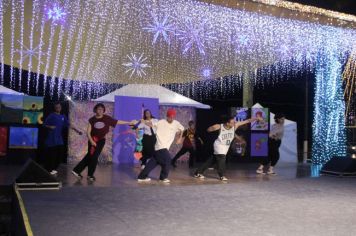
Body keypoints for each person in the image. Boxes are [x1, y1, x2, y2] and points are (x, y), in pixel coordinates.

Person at [72, 103, 135, 181]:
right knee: (93, 157)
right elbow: (88, 132)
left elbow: (117, 121)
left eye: (102, 109)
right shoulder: (92, 120)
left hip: (102, 141)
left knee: (91, 156)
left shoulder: (107, 118)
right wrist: (91, 141)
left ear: (103, 110)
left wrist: (128, 123)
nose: (100, 111)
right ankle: (89, 175)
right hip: (94, 140)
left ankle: (77, 171)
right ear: (95, 110)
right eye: (98, 109)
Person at [194, 116, 258, 181]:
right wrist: (211, 128)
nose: (234, 123)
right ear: (227, 123)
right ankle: (221, 175)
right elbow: (209, 129)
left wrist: (256, 118)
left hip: (225, 147)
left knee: (212, 160)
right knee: (222, 158)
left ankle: (198, 172)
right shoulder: (220, 126)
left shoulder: (234, 126)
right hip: (219, 145)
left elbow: (247, 121)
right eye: (232, 122)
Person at [137, 108, 184, 183]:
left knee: (153, 162)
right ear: (167, 116)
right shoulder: (161, 122)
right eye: (169, 117)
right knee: (168, 160)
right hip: (160, 145)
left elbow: (182, 129)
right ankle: (163, 177)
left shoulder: (176, 123)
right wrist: (144, 122)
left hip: (163, 148)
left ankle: (141, 177)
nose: (171, 118)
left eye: (172, 117)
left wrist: (179, 138)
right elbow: (151, 125)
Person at [44, 102, 82, 175]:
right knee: (52, 155)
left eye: (59, 107)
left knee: (60, 154)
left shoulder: (63, 116)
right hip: (52, 138)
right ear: (54, 108)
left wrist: (77, 131)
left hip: (59, 138)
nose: (58, 108)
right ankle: (50, 169)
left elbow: (69, 125)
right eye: (56, 107)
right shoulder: (51, 115)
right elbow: (44, 124)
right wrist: (50, 126)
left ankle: (54, 168)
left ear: (61, 107)